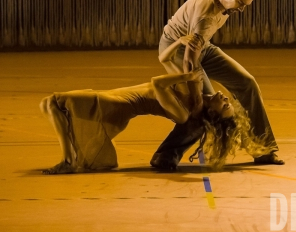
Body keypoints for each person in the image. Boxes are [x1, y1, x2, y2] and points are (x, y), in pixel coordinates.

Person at [39, 35, 271, 174]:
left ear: (212, 113)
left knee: (52, 103)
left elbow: (157, 83)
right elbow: (164, 59)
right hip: (116, 95)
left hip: (116, 105)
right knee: (48, 104)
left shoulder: (183, 114)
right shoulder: (195, 93)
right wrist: (179, 41)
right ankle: (69, 158)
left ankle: (68, 160)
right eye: (228, 102)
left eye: (225, 105)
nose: (225, 98)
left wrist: (184, 77)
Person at [151, 0, 283, 171]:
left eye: (246, 5)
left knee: (247, 83)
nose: (241, 9)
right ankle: (166, 154)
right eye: (240, 3)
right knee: (206, 106)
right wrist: (197, 98)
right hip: (177, 48)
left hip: (202, 46)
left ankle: (263, 149)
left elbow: (198, 42)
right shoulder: (205, 16)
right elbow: (188, 59)